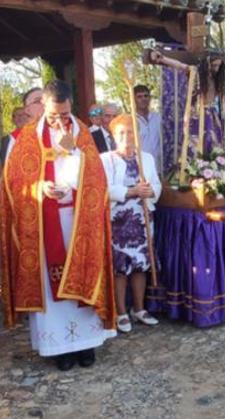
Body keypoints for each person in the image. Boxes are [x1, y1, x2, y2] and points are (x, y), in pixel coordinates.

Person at [0, 80, 117, 371]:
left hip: (79, 221)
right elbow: (13, 183)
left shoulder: (82, 134)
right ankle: (59, 348)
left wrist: (75, 190)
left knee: (83, 272)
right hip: (43, 223)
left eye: (64, 114)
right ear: (43, 108)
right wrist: (39, 187)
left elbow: (97, 179)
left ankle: (87, 344)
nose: (59, 121)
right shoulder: (26, 138)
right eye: (53, 115)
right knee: (51, 284)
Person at [101, 114, 162, 333]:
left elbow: (156, 184)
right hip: (119, 219)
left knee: (140, 264)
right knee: (120, 267)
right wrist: (129, 191)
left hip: (142, 216)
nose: (127, 137)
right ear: (114, 136)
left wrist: (150, 191)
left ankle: (139, 308)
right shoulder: (105, 160)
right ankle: (121, 311)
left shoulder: (146, 158)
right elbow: (102, 189)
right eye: (122, 133)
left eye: (130, 132)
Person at [134, 84, 163, 170]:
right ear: (134, 99)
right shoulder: (130, 120)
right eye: (139, 97)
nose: (143, 99)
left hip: (158, 167)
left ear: (150, 98)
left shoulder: (158, 118)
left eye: (146, 96)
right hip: (140, 168)